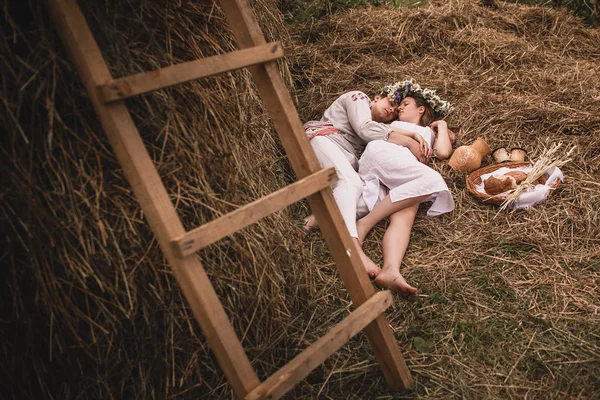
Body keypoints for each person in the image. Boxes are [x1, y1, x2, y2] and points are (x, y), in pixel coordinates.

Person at [303, 88, 431, 278]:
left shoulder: (377, 129)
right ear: (377, 98)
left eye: (396, 111)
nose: (393, 110)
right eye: (391, 103)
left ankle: (313, 220)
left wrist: (414, 134)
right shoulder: (358, 97)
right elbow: (364, 127)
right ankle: (352, 246)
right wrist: (409, 141)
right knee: (351, 183)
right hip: (325, 139)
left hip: (343, 156)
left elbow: (375, 129)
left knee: (370, 200)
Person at [355, 79, 455, 297]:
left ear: (421, 109)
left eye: (406, 104)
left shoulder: (429, 131)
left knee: (404, 218)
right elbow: (372, 131)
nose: (399, 107)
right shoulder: (391, 125)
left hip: (405, 172)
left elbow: (444, 153)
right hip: (384, 155)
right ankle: (363, 224)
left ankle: (391, 270)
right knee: (432, 180)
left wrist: (442, 126)